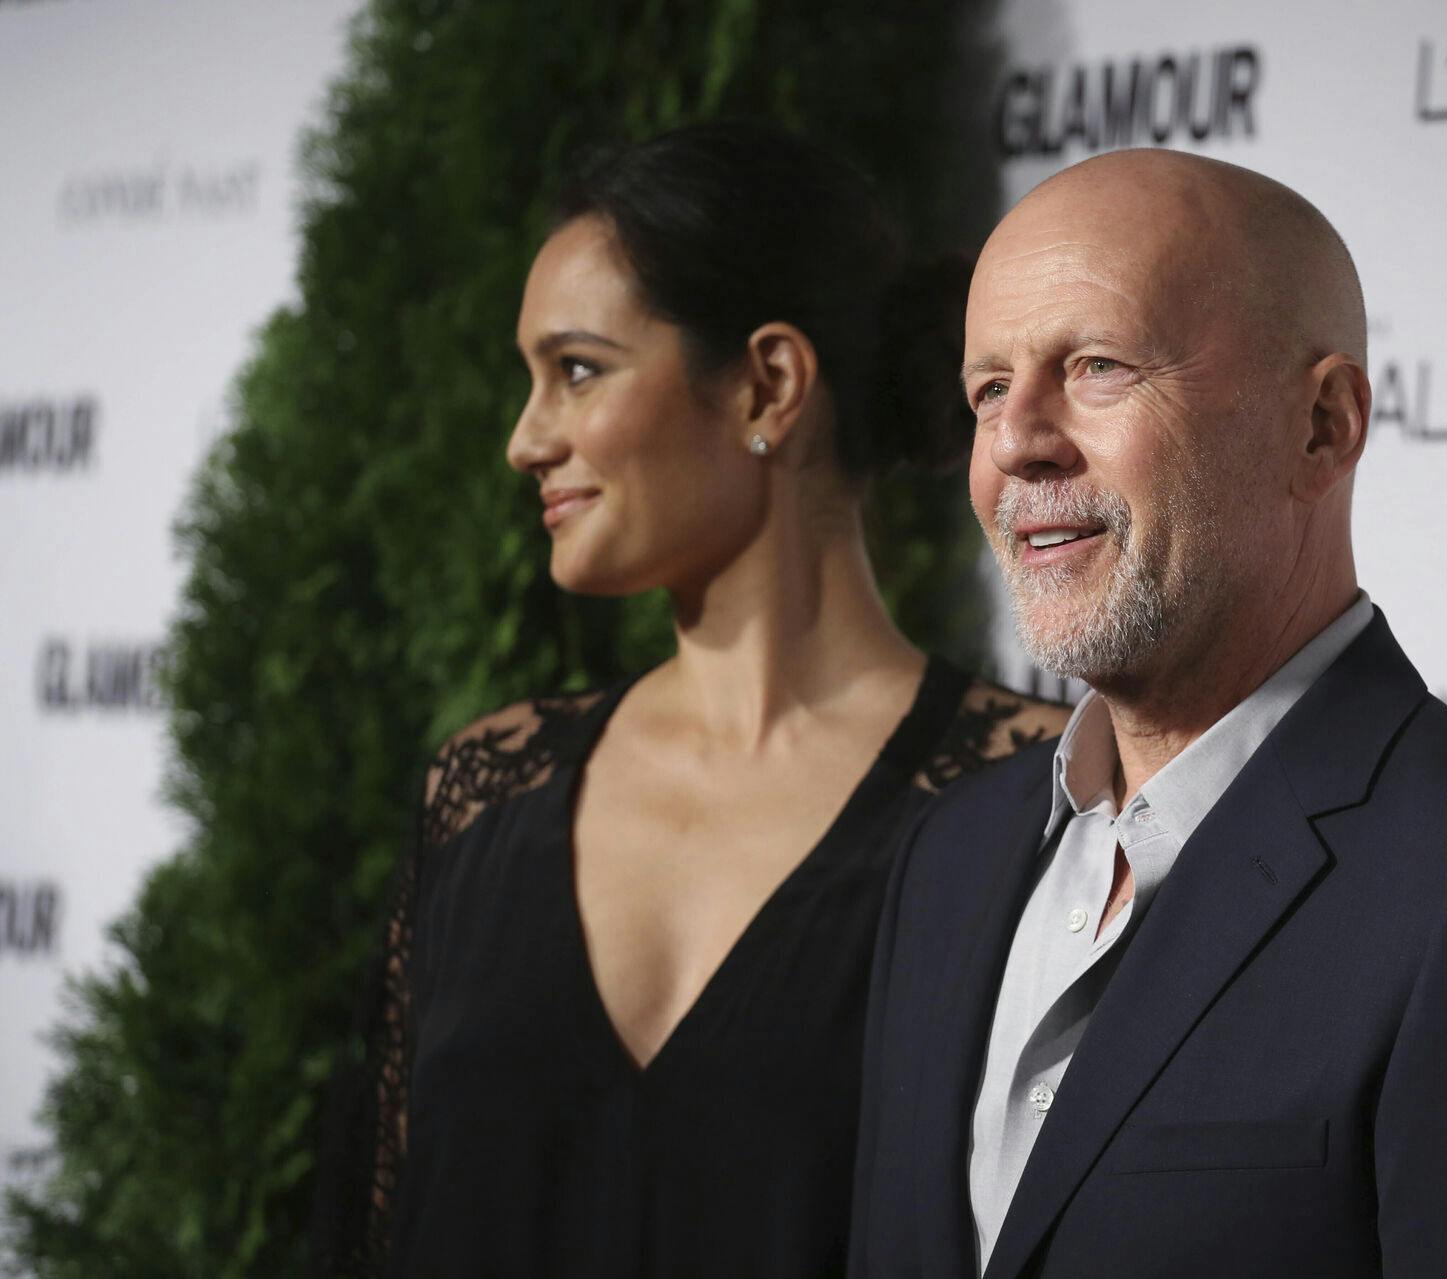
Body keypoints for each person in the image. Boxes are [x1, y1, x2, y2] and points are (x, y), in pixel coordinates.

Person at [851, 149, 1447, 1278]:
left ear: (1322, 427)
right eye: (987, 391)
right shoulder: (948, 859)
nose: (1017, 440)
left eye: (1099, 367)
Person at [312, 122, 1067, 1278]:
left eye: (577, 369)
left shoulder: (1034, 803)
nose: (525, 440)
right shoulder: (482, 794)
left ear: (768, 382)